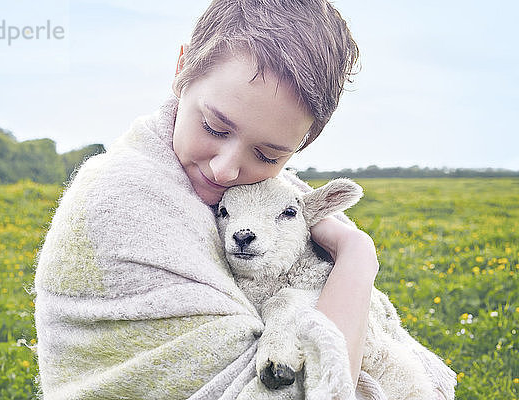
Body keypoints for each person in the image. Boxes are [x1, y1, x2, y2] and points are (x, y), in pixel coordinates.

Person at [34, 1, 454, 399]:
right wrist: (357, 257)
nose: (225, 170)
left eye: (267, 155)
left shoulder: (278, 195)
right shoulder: (121, 203)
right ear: (182, 69)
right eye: (215, 127)